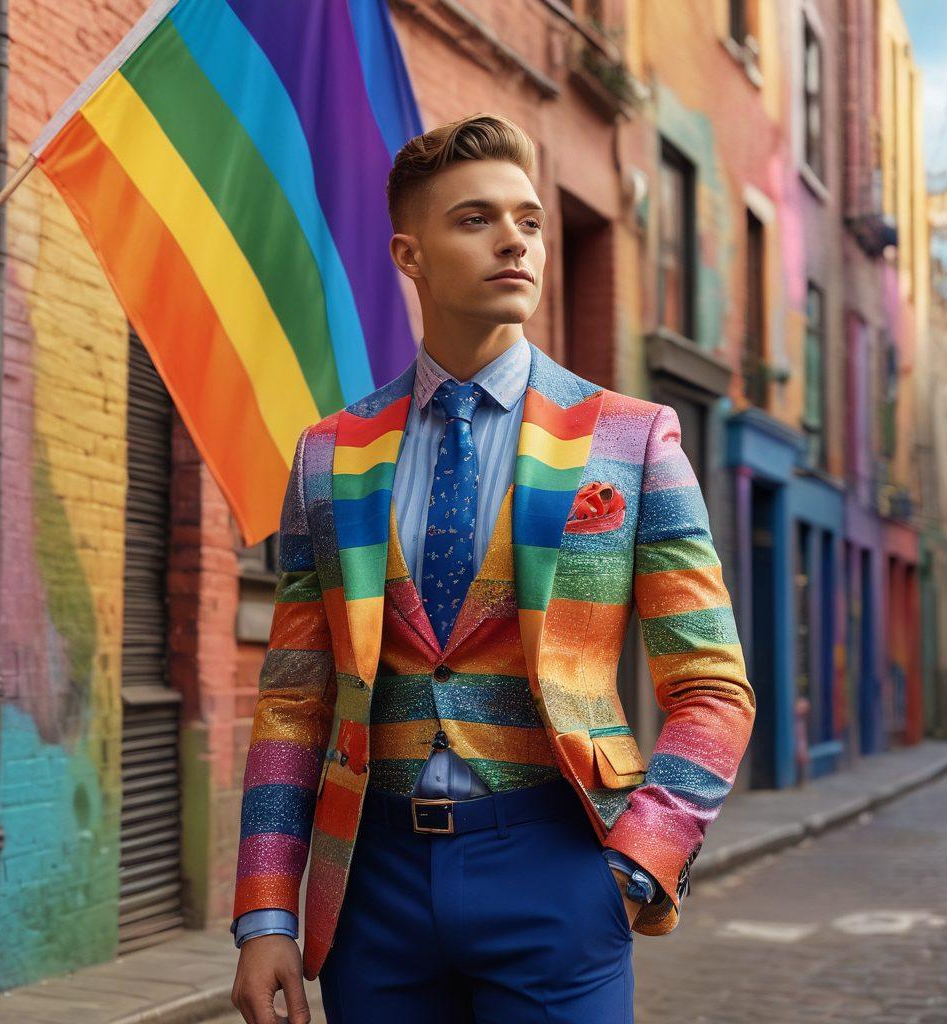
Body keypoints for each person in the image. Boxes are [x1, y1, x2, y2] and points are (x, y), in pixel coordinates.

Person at [229, 112, 755, 1024]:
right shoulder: (330, 454)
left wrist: (637, 864)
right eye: (475, 219)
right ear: (410, 254)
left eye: (530, 220)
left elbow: (712, 687)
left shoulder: (629, 439)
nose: (514, 239)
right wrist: (266, 911)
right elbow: (294, 698)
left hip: (556, 868)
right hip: (373, 886)